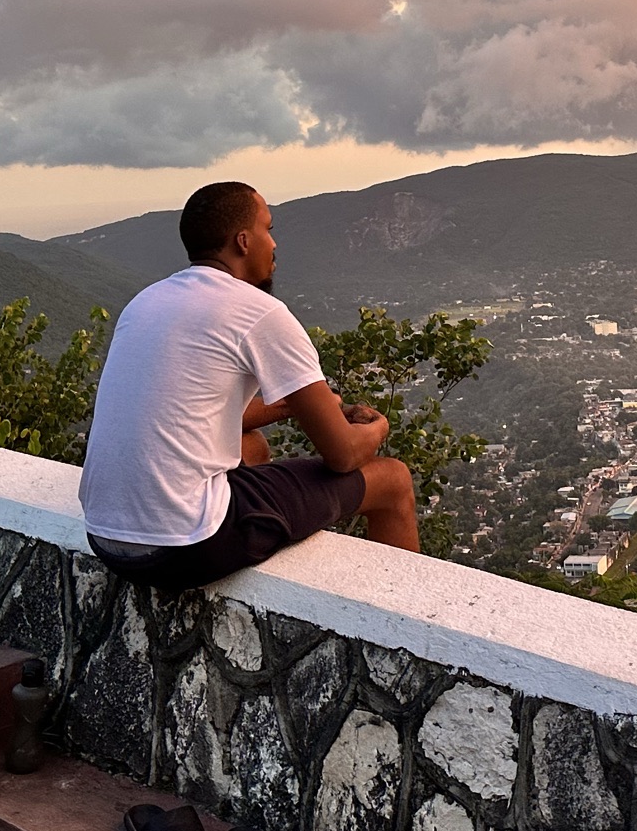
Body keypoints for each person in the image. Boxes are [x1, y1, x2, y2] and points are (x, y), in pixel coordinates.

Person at [80, 181, 418, 592]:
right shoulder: (260, 313)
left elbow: (202, 412)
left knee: (252, 447)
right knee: (393, 479)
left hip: (105, 538)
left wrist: (295, 407)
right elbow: (343, 455)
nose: (274, 245)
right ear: (243, 241)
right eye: (268, 229)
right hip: (186, 546)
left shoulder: (146, 302)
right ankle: (405, 627)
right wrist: (377, 428)